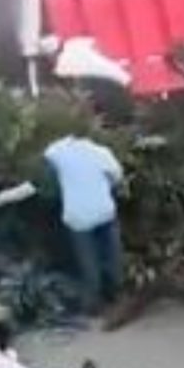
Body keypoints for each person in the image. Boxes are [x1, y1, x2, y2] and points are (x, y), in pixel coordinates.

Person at [43, 132, 126, 314]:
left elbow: (46, 166)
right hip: (104, 211)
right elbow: (117, 176)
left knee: (88, 260)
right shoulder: (101, 152)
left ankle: (93, 304)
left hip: (78, 216)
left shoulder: (56, 151)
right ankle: (116, 295)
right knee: (112, 254)